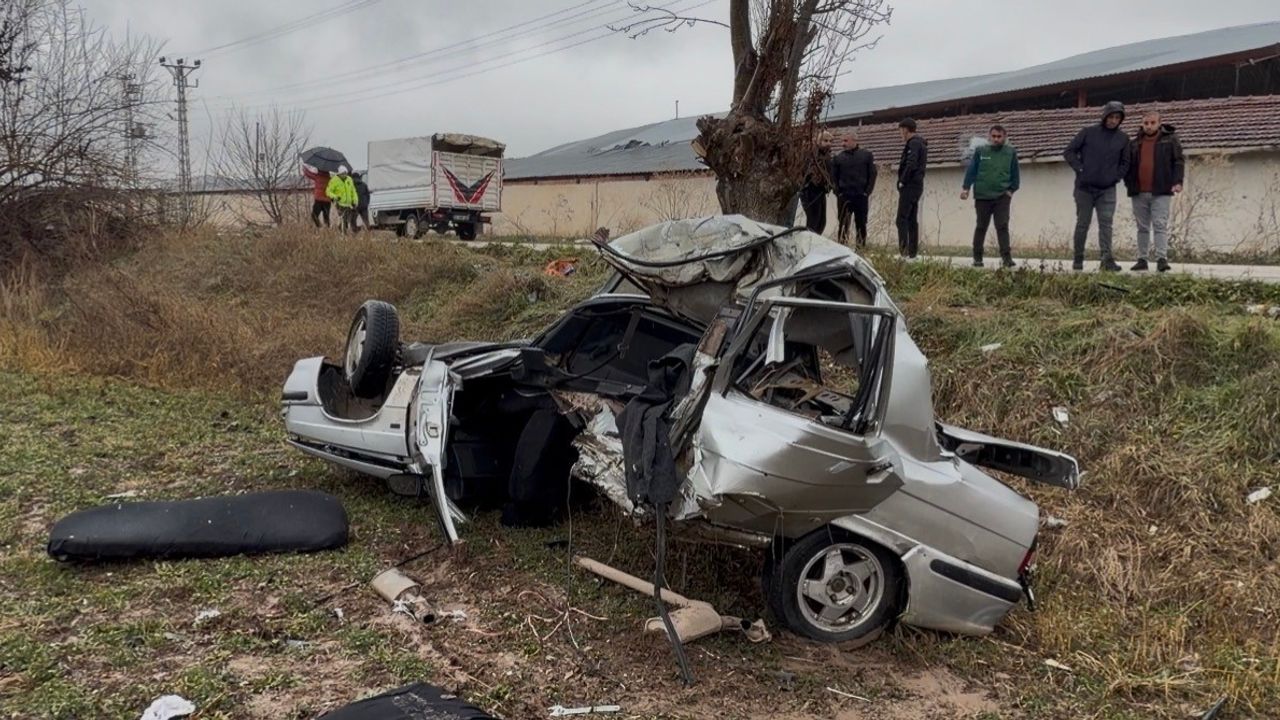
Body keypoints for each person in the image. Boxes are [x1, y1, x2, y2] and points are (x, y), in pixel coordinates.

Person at [1064, 101, 1131, 272]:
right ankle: (1078, 258)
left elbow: (1126, 162)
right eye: (1111, 117)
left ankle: (1107, 260)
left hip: (1107, 189)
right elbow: (1069, 151)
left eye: (1117, 118)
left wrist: (1115, 177)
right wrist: (1080, 168)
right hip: (1084, 189)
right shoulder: (1088, 132)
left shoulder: (1123, 139)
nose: (1113, 120)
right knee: (1083, 223)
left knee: (1106, 225)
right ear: (1104, 116)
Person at [1123, 110, 1184, 272]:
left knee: (1159, 225)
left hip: (1161, 190)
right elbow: (1127, 166)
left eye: (1152, 123)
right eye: (1146, 123)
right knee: (1142, 227)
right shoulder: (1134, 143)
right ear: (1142, 124)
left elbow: (1178, 161)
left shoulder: (1170, 140)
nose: (1149, 126)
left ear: (1159, 123)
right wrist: (1129, 183)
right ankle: (1142, 259)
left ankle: (1161, 259)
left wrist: (1178, 181)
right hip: (1138, 191)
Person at [961, 124, 1021, 268]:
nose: (996, 139)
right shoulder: (980, 151)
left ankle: (1006, 259)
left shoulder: (1010, 152)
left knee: (1002, 226)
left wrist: (1011, 190)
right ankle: (977, 258)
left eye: (999, 136)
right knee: (981, 226)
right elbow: (972, 170)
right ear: (989, 136)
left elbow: (1015, 173)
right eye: (993, 136)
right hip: (982, 196)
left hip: (1002, 196)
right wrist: (966, 188)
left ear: (1004, 137)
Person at [831, 132, 877, 247]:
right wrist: (838, 193)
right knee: (843, 224)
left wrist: (867, 192)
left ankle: (860, 249)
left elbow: (872, 174)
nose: (843, 144)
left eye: (846, 141)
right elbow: (833, 177)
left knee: (861, 224)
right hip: (844, 196)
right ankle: (842, 248)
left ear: (854, 141)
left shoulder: (866, 156)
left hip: (860, 195)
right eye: (842, 141)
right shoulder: (838, 158)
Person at [895, 118, 927, 258]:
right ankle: (912, 253)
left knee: (901, 219)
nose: (900, 134)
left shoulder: (913, 143)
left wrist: (902, 180)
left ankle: (903, 252)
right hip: (917, 185)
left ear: (905, 129)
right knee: (912, 219)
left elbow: (911, 163)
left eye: (901, 130)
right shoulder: (920, 143)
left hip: (910, 185)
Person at [799, 136, 833, 234]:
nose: (829, 143)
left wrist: (829, 185)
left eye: (830, 141)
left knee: (821, 222)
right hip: (810, 190)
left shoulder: (827, 156)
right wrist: (823, 183)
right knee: (813, 221)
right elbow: (810, 173)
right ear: (818, 141)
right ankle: (808, 241)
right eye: (825, 140)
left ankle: (814, 240)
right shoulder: (811, 155)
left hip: (821, 191)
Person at [326, 166, 358, 234]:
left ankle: (342, 229)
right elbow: (328, 191)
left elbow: (353, 191)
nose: (344, 175)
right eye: (343, 174)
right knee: (343, 219)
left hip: (349, 204)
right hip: (340, 203)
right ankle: (343, 233)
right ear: (339, 174)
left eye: (345, 173)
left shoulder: (349, 179)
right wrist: (335, 196)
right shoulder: (334, 180)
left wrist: (355, 200)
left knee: (348, 220)